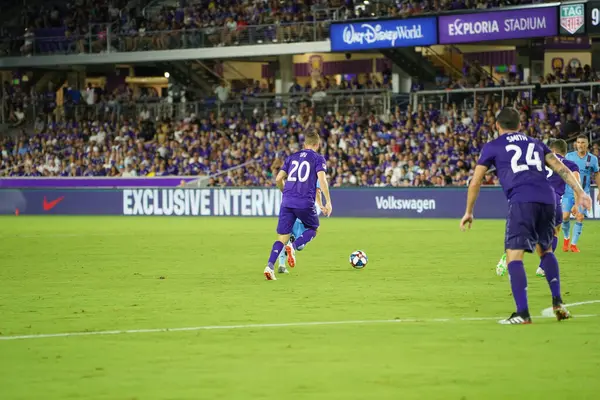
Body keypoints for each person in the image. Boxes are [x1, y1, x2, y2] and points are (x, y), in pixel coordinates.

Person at [460, 107, 591, 325]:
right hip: (549, 199)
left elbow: (476, 180)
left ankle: (522, 313)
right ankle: (558, 302)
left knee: (514, 254)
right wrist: (580, 192)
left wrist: (469, 211)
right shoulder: (536, 143)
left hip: (522, 200)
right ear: (520, 125)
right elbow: (561, 168)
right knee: (545, 249)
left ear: (497, 126)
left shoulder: (493, 146)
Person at [496, 139, 580, 277]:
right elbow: (575, 182)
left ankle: (508, 256)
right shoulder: (569, 164)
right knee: (554, 232)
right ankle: (542, 268)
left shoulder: (538, 160)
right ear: (564, 152)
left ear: (552, 150)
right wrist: (576, 204)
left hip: (531, 199)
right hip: (552, 201)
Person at [264, 131, 332, 281]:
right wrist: (328, 202)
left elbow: (278, 178)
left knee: (282, 237)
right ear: (317, 144)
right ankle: (293, 248)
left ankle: (269, 266)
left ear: (304, 144)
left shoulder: (292, 157)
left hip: (287, 201)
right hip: (304, 201)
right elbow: (322, 180)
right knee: (314, 229)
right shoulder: (318, 158)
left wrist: (284, 191)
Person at [562, 134, 600, 252]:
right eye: (578, 143)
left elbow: (597, 174)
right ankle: (566, 238)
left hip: (584, 193)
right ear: (576, 144)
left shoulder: (592, 159)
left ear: (587, 144)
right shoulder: (569, 156)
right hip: (568, 192)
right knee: (565, 217)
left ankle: (573, 245)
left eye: (583, 143)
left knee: (580, 216)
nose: (580, 145)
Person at [278, 182, 324, 274]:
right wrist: (321, 205)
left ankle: (281, 265)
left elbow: (282, 185)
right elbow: (317, 191)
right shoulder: (314, 176)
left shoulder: (293, 175)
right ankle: (293, 244)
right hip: (306, 211)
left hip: (290, 209)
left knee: (285, 237)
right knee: (308, 236)